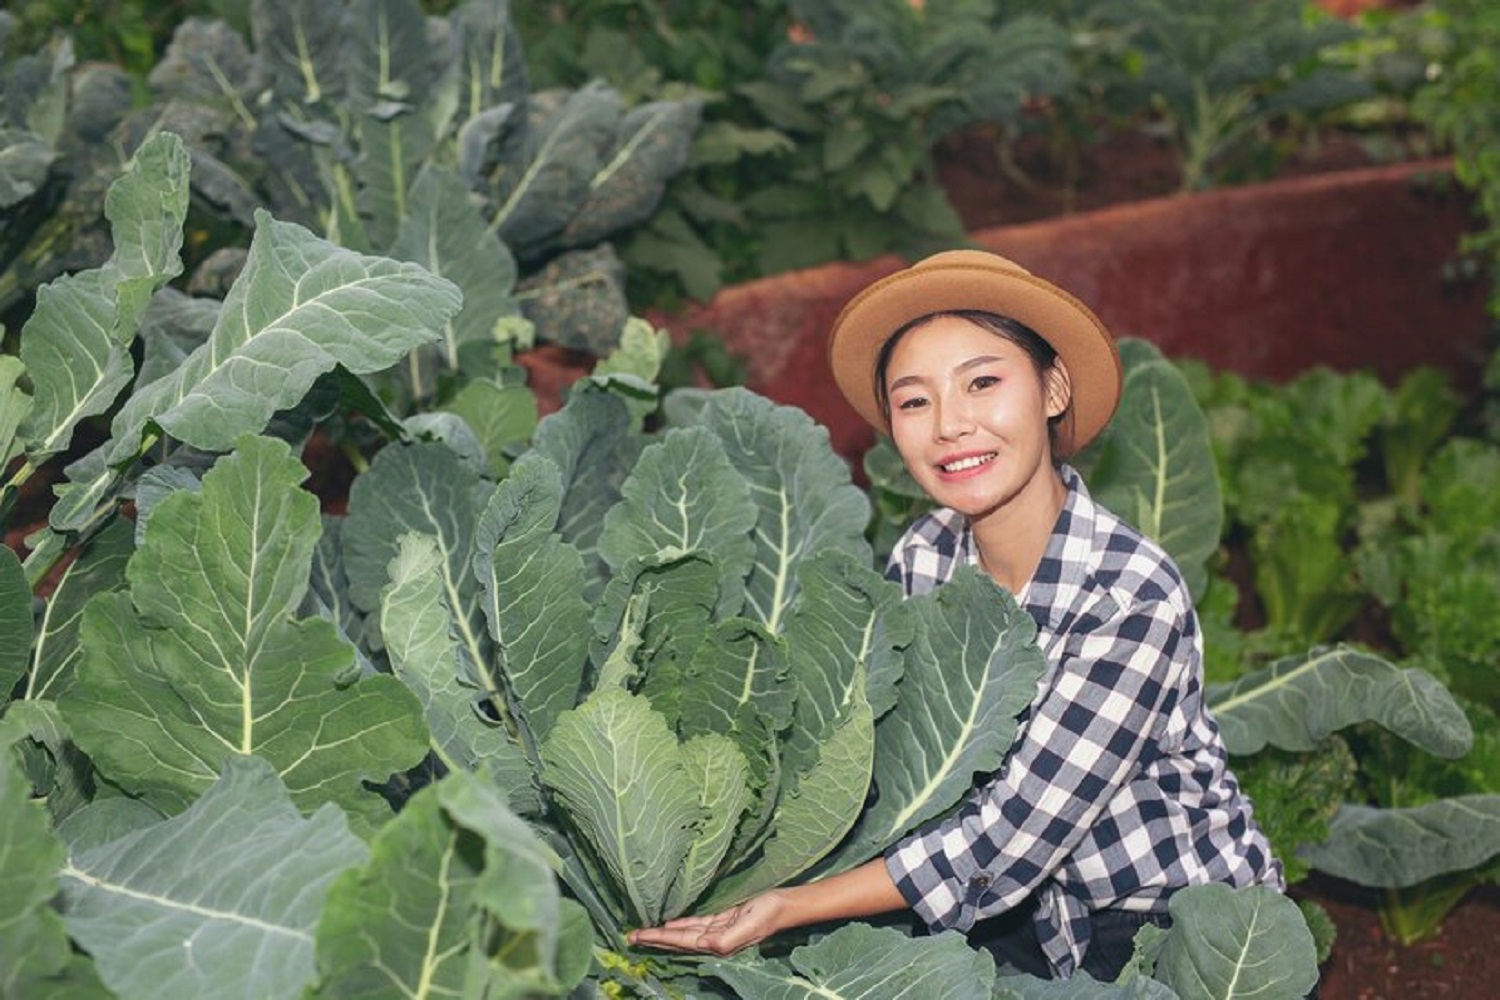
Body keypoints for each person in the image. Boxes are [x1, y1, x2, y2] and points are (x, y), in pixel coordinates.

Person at [627, 249, 1285, 982]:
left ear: (1053, 388)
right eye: (914, 401)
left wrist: (787, 904)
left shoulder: (1129, 596)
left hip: (1173, 929)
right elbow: (882, 749)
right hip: (1005, 918)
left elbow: (1007, 840)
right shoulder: (926, 556)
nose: (950, 425)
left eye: (982, 383)